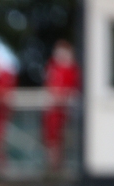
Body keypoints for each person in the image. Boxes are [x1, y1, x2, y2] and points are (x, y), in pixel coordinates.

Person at [43, 40, 81, 172]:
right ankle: (54, 166)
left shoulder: (72, 68)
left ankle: (61, 166)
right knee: (52, 139)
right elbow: (50, 85)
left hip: (68, 111)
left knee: (66, 139)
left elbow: (74, 87)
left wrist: (62, 95)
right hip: (53, 110)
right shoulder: (52, 66)